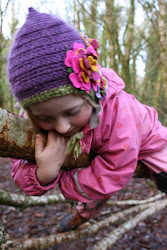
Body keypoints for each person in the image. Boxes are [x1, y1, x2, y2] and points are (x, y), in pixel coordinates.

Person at [8, 7, 167, 232]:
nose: (62, 127)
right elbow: (18, 167)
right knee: (94, 181)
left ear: (91, 96)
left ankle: (85, 208)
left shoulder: (118, 110)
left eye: (72, 112)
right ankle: (83, 214)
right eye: (44, 118)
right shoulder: (35, 116)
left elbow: (115, 171)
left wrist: (64, 180)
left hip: (149, 142)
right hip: (101, 150)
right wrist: (43, 173)